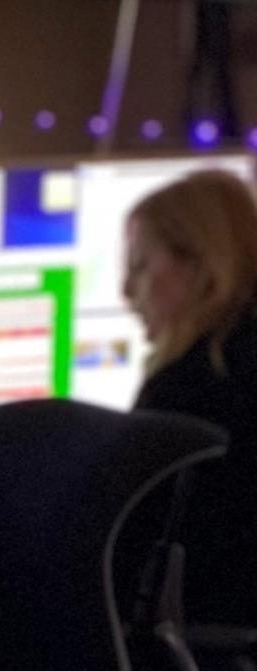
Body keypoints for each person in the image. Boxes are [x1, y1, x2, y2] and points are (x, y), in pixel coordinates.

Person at [125, 167, 257, 624]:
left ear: (200, 264)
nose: (127, 292)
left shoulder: (186, 392)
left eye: (141, 265)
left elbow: (125, 555)